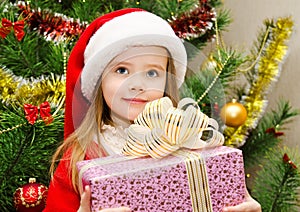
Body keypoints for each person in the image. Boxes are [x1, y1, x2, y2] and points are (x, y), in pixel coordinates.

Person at [44, 8, 261, 212]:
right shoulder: (80, 157)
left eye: (152, 73)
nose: (137, 84)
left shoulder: (190, 139)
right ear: (99, 81)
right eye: (121, 70)